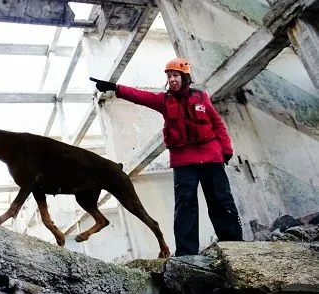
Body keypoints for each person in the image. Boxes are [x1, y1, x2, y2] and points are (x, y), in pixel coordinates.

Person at [89, 57, 243, 256]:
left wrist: (226, 149)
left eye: (176, 75)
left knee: (221, 200)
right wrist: (115, 88)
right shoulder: (164, 100)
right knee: (185, 205)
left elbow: (217, 124)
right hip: (184, 161)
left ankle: (234, 243)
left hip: (211, 157)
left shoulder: (201, 97)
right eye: (169, 76)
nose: (172, 79)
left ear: (185, 77)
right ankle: (187, 253)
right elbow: (139, 96)